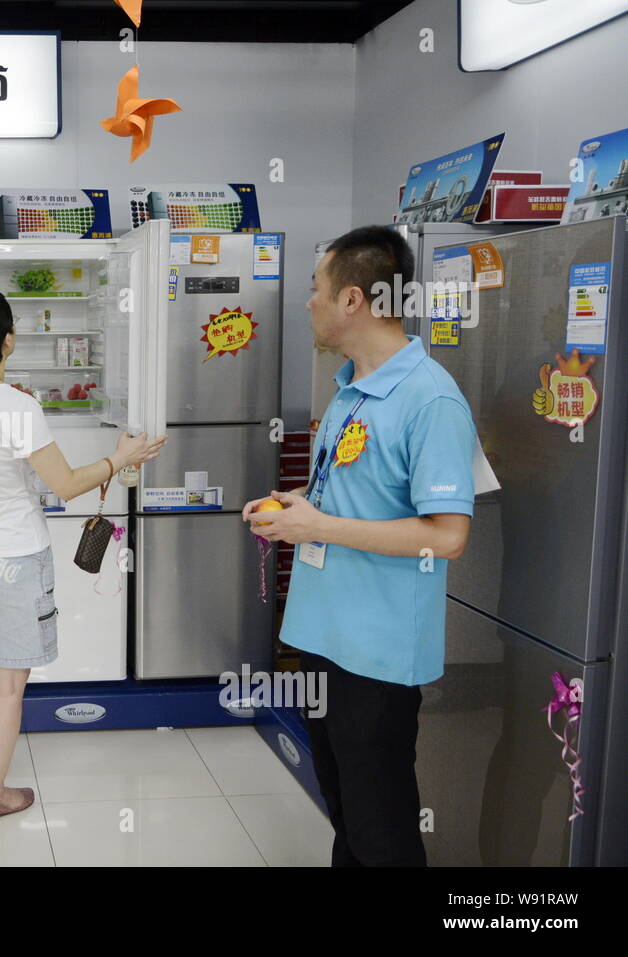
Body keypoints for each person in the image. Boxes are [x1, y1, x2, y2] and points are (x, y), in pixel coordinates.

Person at [244, 226, 475, 866]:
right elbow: (349, 495)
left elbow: (448, 535)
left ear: (352, 300)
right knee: (346, 814)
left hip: (377, 652)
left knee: (383, 829)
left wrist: (317, 528)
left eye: (316, 289)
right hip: (324, 635)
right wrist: (295, 508)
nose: (309, 303)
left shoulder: (429, 399)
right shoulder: (350, 387)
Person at [0, 289, 165, 822]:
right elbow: (64, 485)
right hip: (14, 558)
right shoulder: (18, 405)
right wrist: (120, 457)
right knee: (10, 685)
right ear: (8, 340)